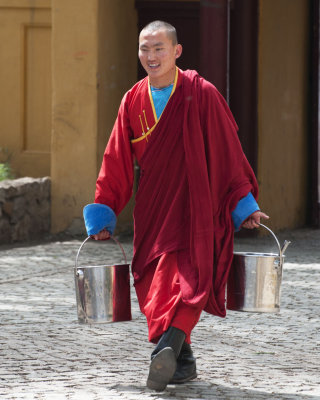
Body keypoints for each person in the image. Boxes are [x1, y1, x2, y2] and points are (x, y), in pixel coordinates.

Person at [83, 20, 269, 392]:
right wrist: (104, 209)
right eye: (144, 49)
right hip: (153, 206)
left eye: (159, 49)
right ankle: (181, 359)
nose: (151, 56)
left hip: (197, 204)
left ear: (177, 51)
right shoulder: (133, 99)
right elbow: (116, 159)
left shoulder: (202, 94)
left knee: (190, 279)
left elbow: (227, 153)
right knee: (152, 279)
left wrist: (243, 203)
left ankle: (169, 346)